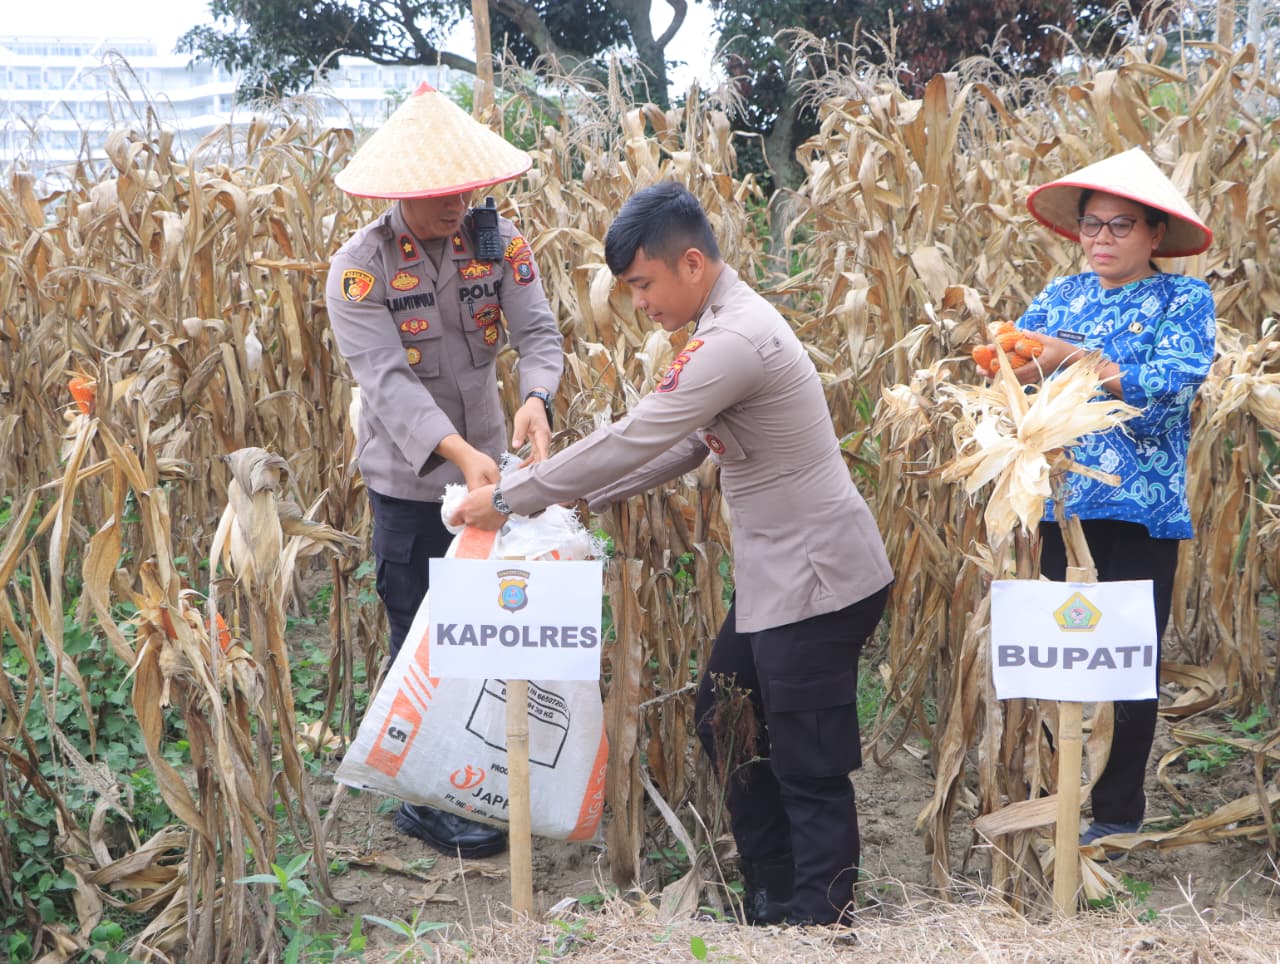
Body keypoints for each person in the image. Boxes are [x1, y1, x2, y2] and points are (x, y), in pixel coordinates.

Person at [452, 182, 894, 926]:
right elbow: (689, 443)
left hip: (819, 580)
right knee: (725, 714)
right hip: (778, 579)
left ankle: (823, 922)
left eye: (643, 284)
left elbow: (638, 434)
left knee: (807, 758)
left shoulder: (733, 341)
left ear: (691, 263)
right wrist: (577, 500)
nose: (639, 303)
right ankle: (772, 895)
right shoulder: (722, 325)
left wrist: (511, 496)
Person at [325, 83, 564, 858]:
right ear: (401, 192)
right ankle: (421, 797)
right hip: (411, 484)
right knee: (418, 634)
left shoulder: (499, 243)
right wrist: (461, 456)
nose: (457, 205)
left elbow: (538, 333)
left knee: (482, 630)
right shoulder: (359, 271)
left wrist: (536, 399)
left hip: (491, 475)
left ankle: (478, 781)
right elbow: (386, 382)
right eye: (439, 195)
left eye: (465, 189)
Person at [979, 147, 1215, 845]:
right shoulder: (1060, 298)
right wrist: (1010, 373)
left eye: (1120, 226)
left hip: (1141, 513)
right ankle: (1052, 801)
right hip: (1062, 507)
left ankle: (1114, 816)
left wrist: (1075, 359)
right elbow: (1022, 379)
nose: (1101, 239)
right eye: (1091, 225)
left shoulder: (1184, 301)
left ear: (1154, 234)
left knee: (1127, 665)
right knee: (1057, 656)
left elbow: (1168, 390)